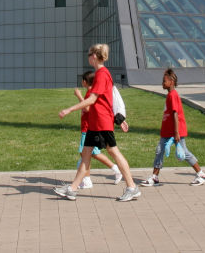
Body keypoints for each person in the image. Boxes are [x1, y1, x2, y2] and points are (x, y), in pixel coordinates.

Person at [54, 43, 140, 202]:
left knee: (114, 152)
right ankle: (72, 189)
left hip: (102, 122)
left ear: (94, 56)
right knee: (86, 154)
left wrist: (69, 110)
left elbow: (92, 99)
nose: (88, 57)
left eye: (89, 55)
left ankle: (132, 187)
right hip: (94, 123)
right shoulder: (100, 73)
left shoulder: (102, 74)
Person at [139, 68, 205, 186]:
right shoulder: (169, 95)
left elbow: (175, 114)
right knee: (159, 151)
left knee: (185, 153)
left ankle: (201, 174)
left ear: (171, 82)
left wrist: (176, 133)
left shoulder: (173, 95)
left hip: (175, 131)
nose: (162, 83)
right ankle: (155, 177)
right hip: (167, 131)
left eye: (164, 81)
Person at [71, 71, 124, 189]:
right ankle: (115, 170)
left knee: (86, 154)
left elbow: (88, 108)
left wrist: (78, 96)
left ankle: (87, 180)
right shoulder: (90, 92)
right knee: (92, 153)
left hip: (89, 128)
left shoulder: (90, 93)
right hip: (89, 127)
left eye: (82, 80)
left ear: (85, 82)